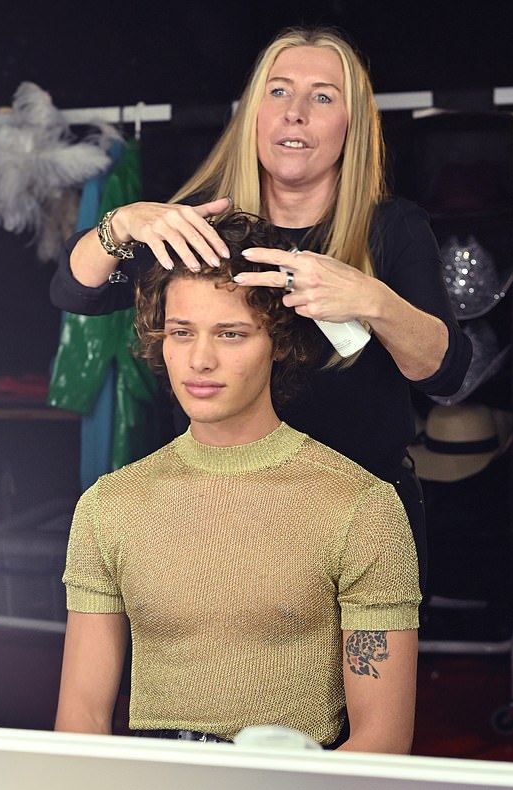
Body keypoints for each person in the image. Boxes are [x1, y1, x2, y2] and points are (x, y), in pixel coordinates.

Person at [50, 25, 473, 590]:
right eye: (278, 92)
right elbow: (75, 292)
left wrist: (371, 299)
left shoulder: (391, 229)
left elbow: (444, 373)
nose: (295, 112)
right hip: (219, 509)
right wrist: (122, 223)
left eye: (322, 96)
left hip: (356, 521)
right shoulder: (204, 225)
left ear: (352, 125)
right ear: (253, 114)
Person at [54, 212, 420, 753]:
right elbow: (80, 721)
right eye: (182, 333)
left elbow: (382, 742)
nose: (200, 361)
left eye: (231, 334)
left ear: (278, 342)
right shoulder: (110, 505)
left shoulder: (363, 507)